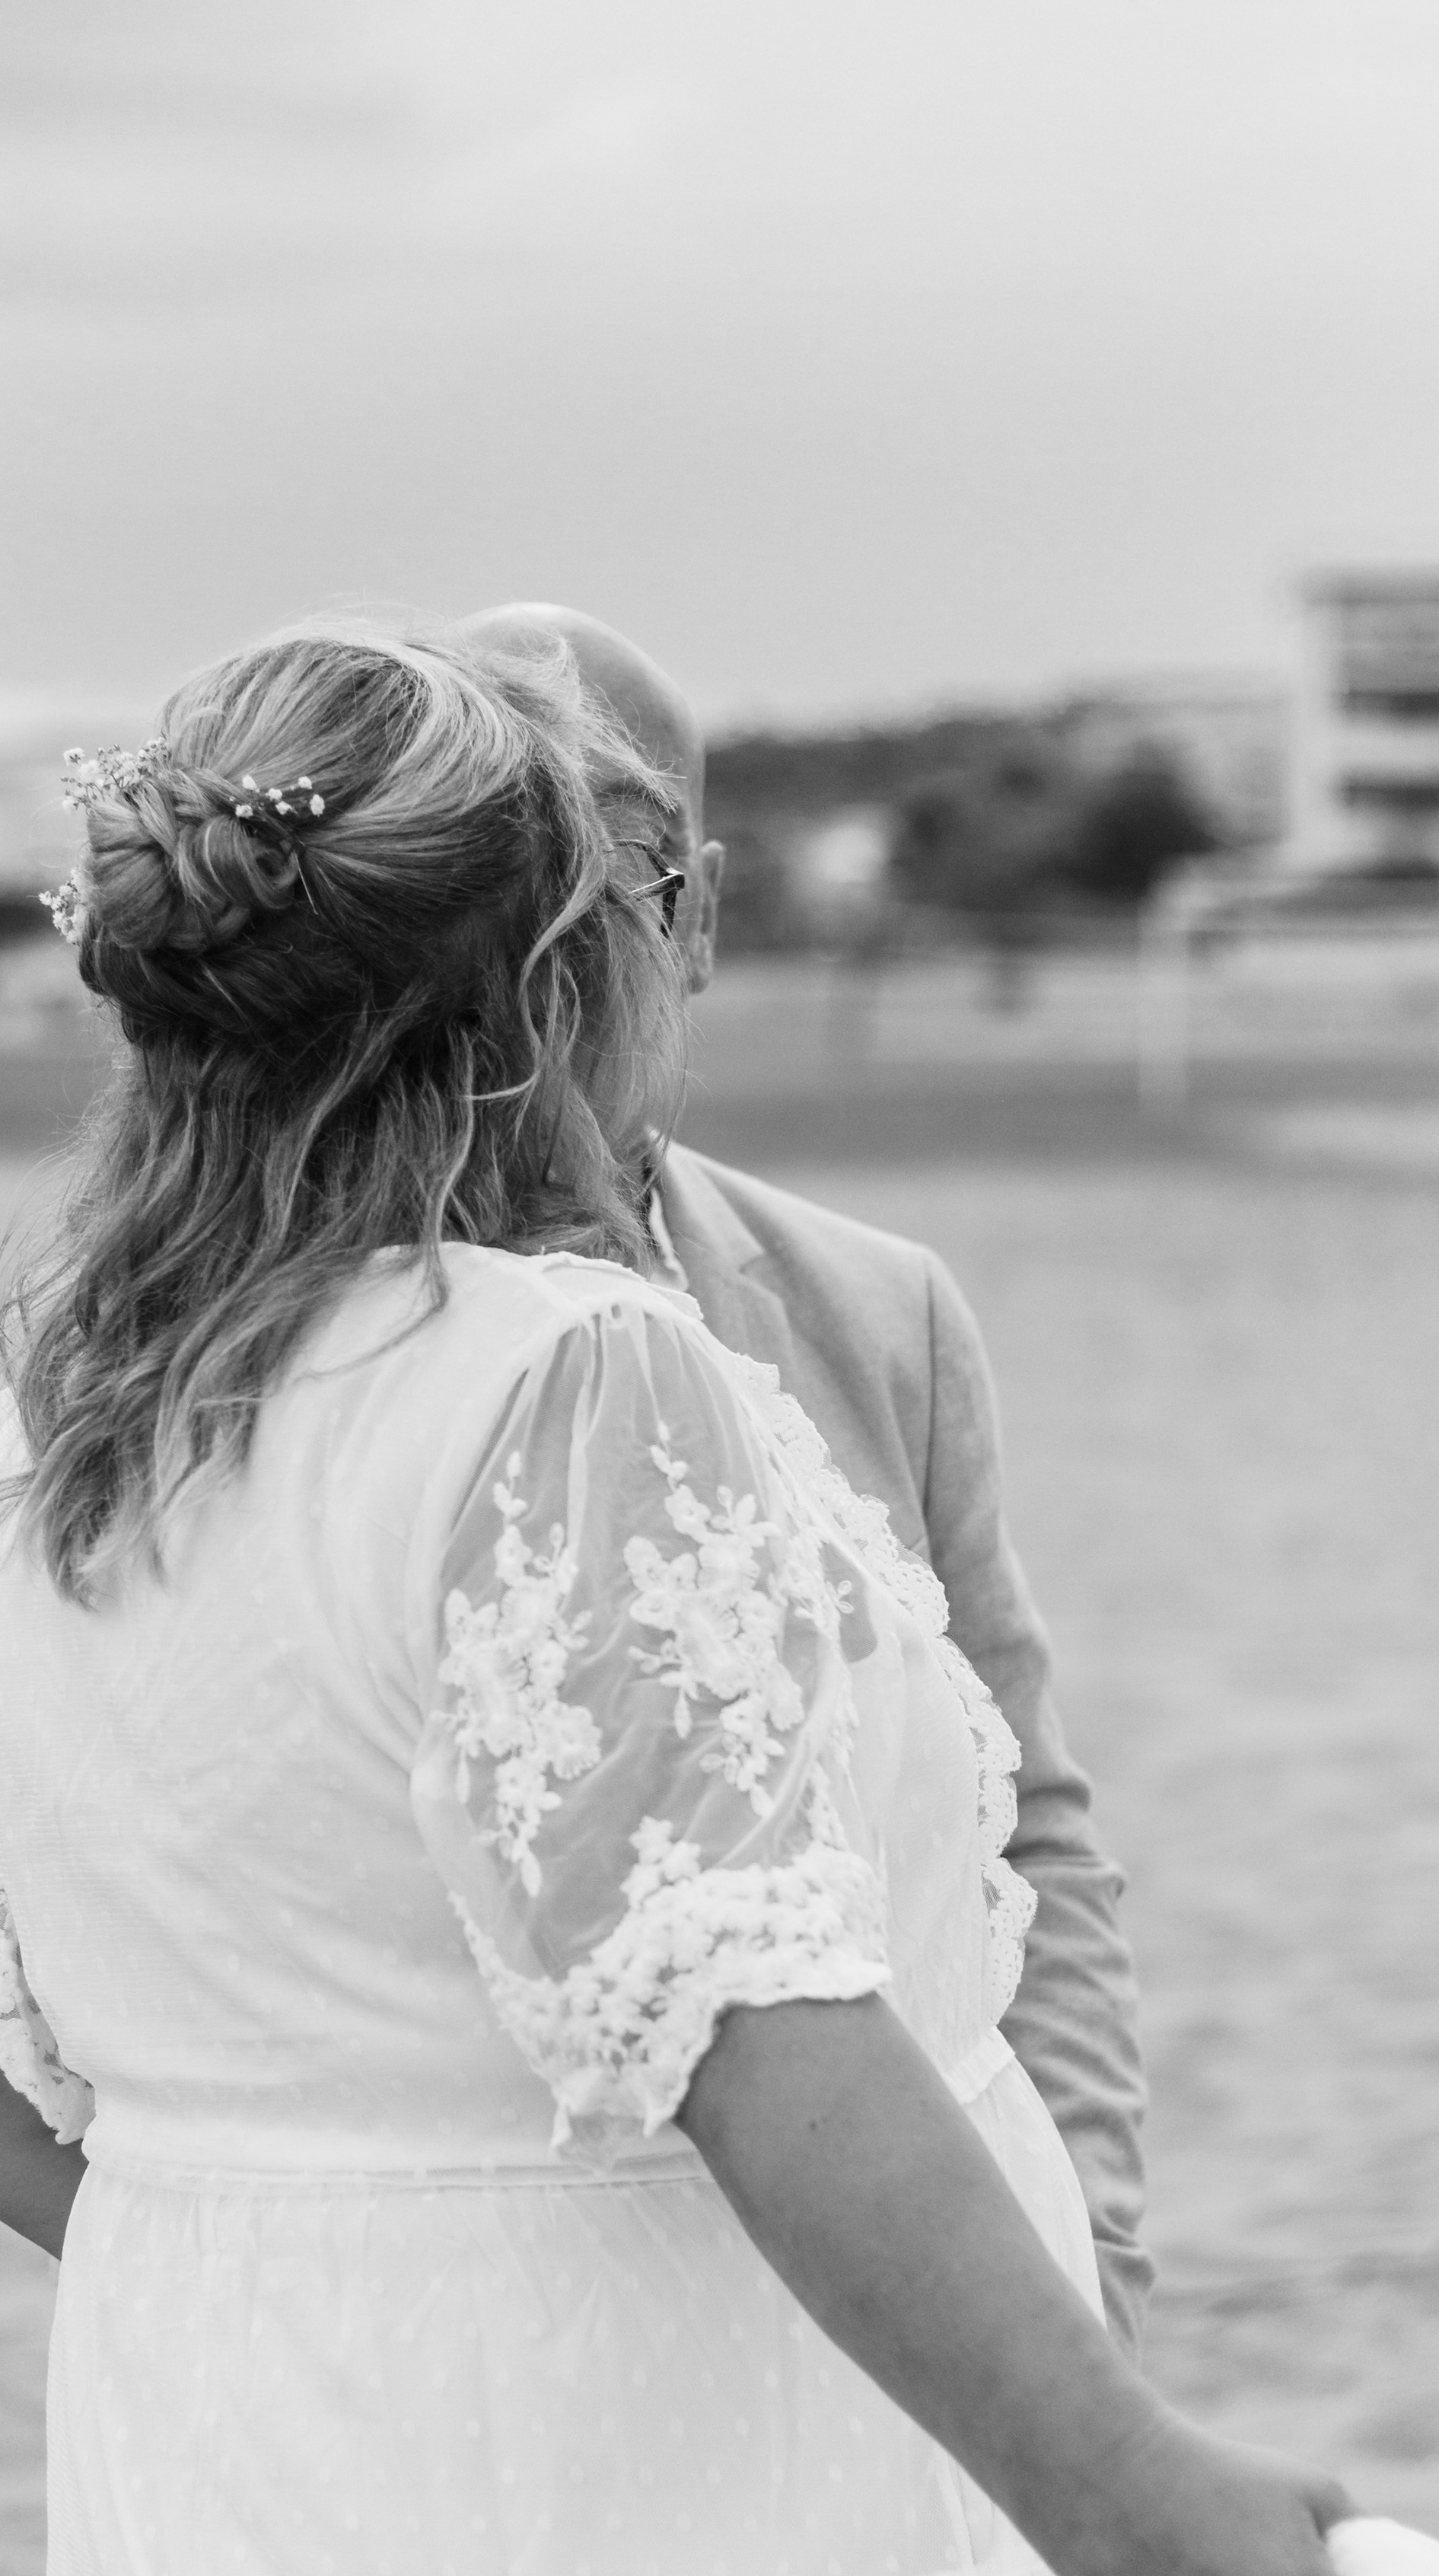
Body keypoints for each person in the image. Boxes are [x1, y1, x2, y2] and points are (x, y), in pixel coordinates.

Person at [0, 619, 1439, 2576]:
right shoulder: (562, 1379)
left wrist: (339, 2272)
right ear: (545, 981)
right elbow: (747, 2030)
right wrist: (1124, 2501)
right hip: (694, 2553)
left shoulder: (1, 1465)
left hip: (240, 2560)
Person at [460, 602, 1153, 2349]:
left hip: (929, 2314)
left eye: (591, 880)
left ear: (691, 911)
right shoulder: (292, 1337)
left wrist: (1081, 2263)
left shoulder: (878, 1312)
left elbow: (1028, 1836)